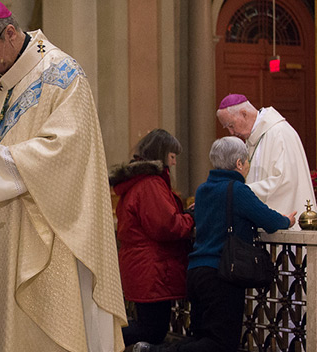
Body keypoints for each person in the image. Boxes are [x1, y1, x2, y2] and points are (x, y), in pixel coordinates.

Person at [0, 0, 126, 351]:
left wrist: (5, 159)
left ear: (9, 32)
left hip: (36, 226)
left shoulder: (63, 74)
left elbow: (70, 148)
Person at [133, 136, 296, 352]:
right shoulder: (237, 190)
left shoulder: (202, 190)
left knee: (201, 336)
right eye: (246, 161)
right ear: (239, 163)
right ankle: (154, 351)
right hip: (222, 273)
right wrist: (288, 220)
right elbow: (270, 220)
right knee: (221, 343)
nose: (247, 166)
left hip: (196, 272)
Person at [109, 129, 194, 347]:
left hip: (144, 265)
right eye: (172, 156)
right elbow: (165, 226)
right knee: (151, 329)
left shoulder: (140, 182)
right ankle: (98, 343)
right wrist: (191, 218)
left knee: (149, 328)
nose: (174, 163)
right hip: (152, 268)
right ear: (162, 154)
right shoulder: (150, 184)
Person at [216, 93, 314, 230]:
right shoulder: (252, 140)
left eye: (231, 125)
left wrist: (237, 192)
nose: (231, 132)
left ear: (244, 114)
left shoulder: (280, 133)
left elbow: (283, 181)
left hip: (286, 221)